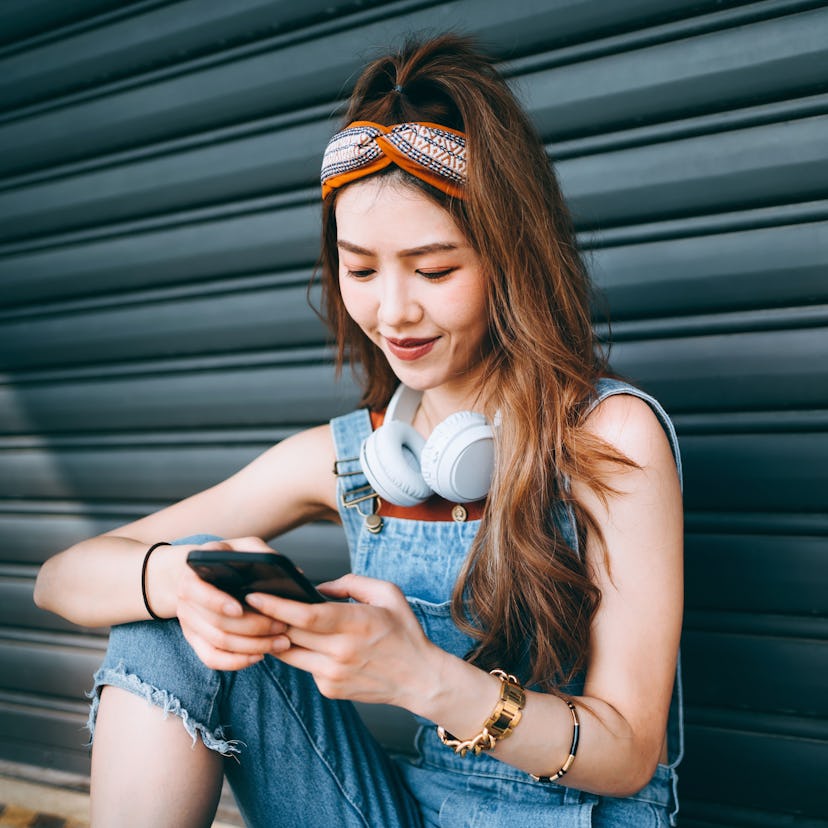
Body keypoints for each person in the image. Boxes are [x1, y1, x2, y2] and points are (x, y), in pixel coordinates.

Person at [34, 34, 684, 828]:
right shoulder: (353, 457)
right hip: (392, 813)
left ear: (510, 258)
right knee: (168, 625)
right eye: (361, 268)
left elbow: (630, 752)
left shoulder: (609, 435)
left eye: (435, 269)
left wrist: (422, 677)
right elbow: (62, 578)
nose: (392, 311)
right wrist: (174, 582)